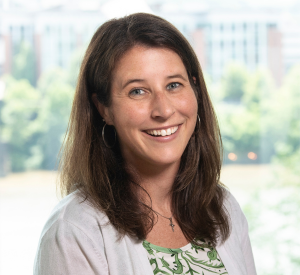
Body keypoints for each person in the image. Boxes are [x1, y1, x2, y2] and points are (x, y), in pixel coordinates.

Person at [34, 13, 257, 275]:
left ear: (195, 90)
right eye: (137, 91)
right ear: (103, 108)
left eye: (174, 85)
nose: (163, 110)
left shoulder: (222, 207)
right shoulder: (74, 232)